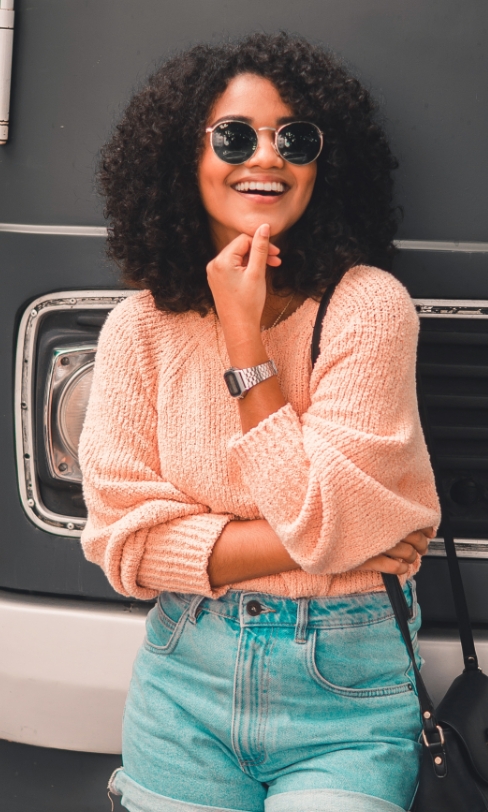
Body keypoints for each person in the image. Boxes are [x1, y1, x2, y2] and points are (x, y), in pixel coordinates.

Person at [79, 32, 440, 812]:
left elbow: (323, 524)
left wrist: (244, 341)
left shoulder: (368, 306)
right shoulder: (136, 329)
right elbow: (120, 542)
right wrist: (359, 531)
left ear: (323, 166)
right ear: (185, 156)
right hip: (184, 680)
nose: (267, 158)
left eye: (295, 139)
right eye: (236, 136)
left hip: (348, 685)